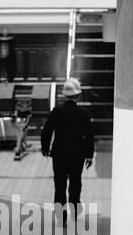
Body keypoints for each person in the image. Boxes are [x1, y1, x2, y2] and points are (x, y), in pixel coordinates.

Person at [40, 77, 95, 220]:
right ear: (78, 95)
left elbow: (46, 131)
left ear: (65, 94)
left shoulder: (57, 111)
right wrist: (89, 155)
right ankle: (75, 209)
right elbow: (89, 135)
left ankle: (61, 216)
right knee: (75, 182)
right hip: (78, 154)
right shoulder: (83, 113)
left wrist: (45, 148)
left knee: (60, 185)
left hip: (59, 154)